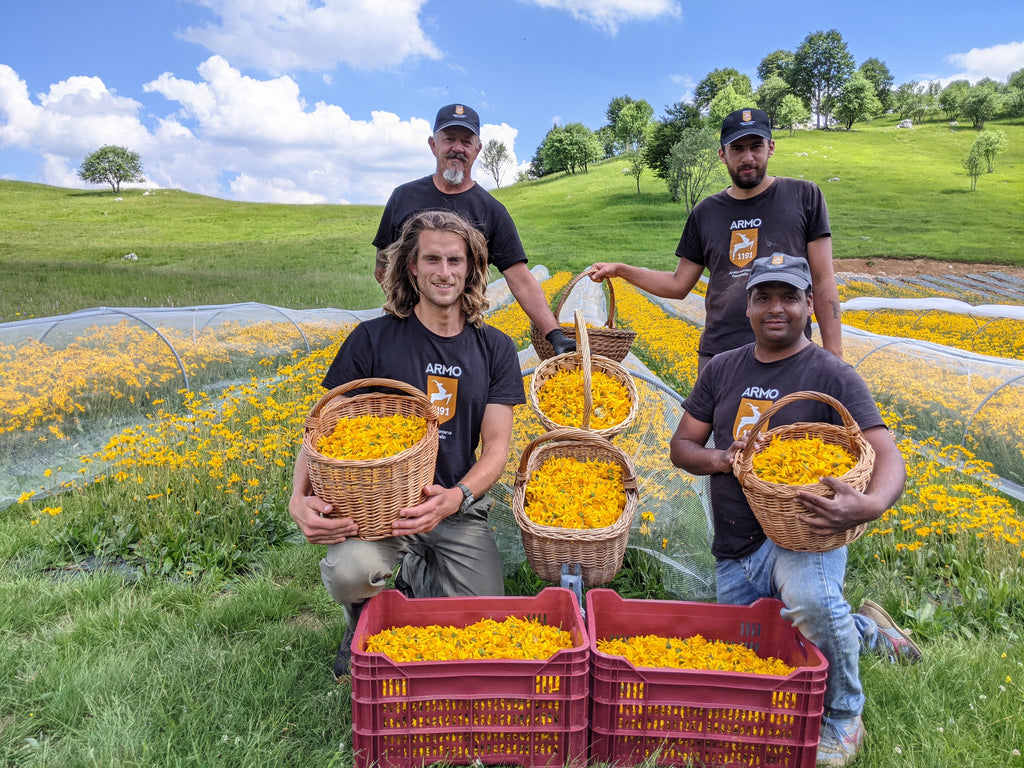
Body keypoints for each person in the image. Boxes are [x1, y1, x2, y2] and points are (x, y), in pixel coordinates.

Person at [669, 253, 920, 767]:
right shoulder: (722, 368)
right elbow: (681, 446)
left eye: (789, 297)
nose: (775, 308)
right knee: (757, 653)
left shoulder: (832, 374)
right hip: (735, 544)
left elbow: (887, 452)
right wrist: (722, 458)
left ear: (809, 303)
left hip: (804, 533)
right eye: (764, 297)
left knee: (809, 600)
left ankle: (844, 714)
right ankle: (866, 630)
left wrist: (867, 505)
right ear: (748, 305)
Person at [289, 209, 526, 680]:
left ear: (471, 269)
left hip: (455, 507)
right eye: (432, 259)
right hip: (379, 510)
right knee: (351, 572)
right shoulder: (373, 339)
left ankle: (418, 580)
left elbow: (497, 449)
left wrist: (456, 498)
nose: (444, 272)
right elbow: (321, 430)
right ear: (411, 267)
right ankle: (361, 627)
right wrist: (298, 497)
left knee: (482, 631)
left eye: (455, 261)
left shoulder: (495, 348)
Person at [590, 107, 843, 372]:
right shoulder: (706, 212)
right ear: (723, 154)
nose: (748, 157)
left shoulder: (804, 196)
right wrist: (621, 270)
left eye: (756, 146)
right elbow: (678, 285)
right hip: (720, 355)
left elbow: (823, 279)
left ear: (771, 147)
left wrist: (834, 353)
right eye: (737, 149)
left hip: (790, 353)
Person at [373, 102, 575, 355]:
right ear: (433, 145)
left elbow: (521, 280)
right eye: (449, 139)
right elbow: (382, 268)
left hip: (459, 337)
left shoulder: (491, 211)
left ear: (477, 150)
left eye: (466, 142)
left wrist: (554, 335)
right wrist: (410, 311)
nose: (457, 148)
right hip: (404, 332)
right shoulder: (403, 197)